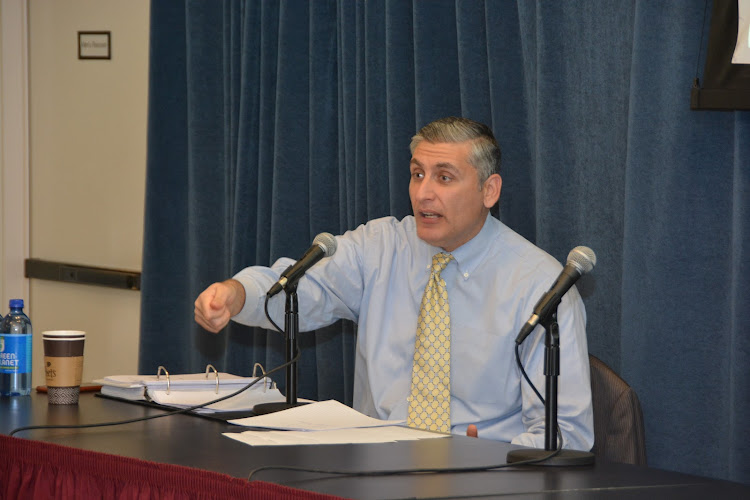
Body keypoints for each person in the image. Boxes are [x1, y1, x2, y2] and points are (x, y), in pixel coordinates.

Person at [195, 117, 594, 450]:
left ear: (489, 190)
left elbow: (566, 434)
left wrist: (489, 460)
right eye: (417, 174)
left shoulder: (540, 286)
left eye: (444, 177)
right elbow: (298, 288)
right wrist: (237, 294)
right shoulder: (380, 247)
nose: (424, 193)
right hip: (372, 471)